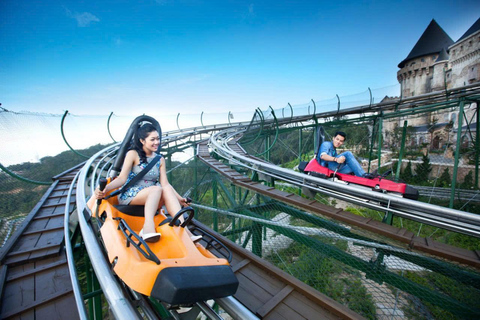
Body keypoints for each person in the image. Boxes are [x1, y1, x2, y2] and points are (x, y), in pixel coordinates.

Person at [95, 122, 200, 243]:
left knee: (162, 188)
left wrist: (180, 199)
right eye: (152, 139)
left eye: (158, 139)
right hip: (131, 194)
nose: (157, 142)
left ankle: (184, 229)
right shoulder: (132, 154)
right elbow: (121, 179)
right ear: (142, 141)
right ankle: (147, 228)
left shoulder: (159, 159)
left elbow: (165, 184)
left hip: (153, 195)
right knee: (157, 189)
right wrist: (105, 189)